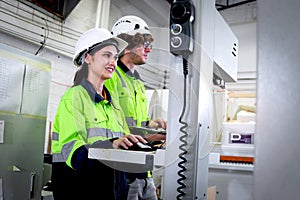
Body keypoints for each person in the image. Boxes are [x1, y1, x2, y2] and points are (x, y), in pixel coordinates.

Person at [51, 28, 148, 200]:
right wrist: (112, 144)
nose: (113, 62)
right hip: (81, 192)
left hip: (110, 192)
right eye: (106, 55)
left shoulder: (113, 105)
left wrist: (145, 143)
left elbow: (122, 144)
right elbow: (75, 155)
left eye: (115, 57)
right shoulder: (74, 97)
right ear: (88, 57)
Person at [105, 15, 167, 200]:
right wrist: (154, 136)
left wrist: (151, 123)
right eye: (143, 43)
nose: (148, 49)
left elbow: (134, 120)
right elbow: (109, 124)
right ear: (125, 44)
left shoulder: (137, 81)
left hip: (144, 169)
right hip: (123, 170)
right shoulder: (110, 77)